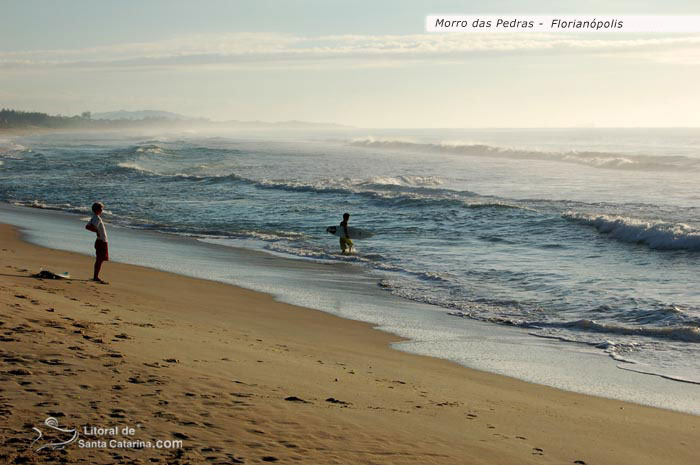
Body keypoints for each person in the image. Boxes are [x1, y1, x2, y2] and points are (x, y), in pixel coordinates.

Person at [85, 202, 109, 283]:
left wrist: (96, 231)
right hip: (101, 241)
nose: (102, 210)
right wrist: (96, 231)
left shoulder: (94, 217)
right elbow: (88, 227)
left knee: (100, 259)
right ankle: (95, 277)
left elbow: (88, 226)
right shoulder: (97, 218)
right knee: (99, 259)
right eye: (101, 209)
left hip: (100, 240)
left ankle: (95, 276)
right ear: (98, 210)